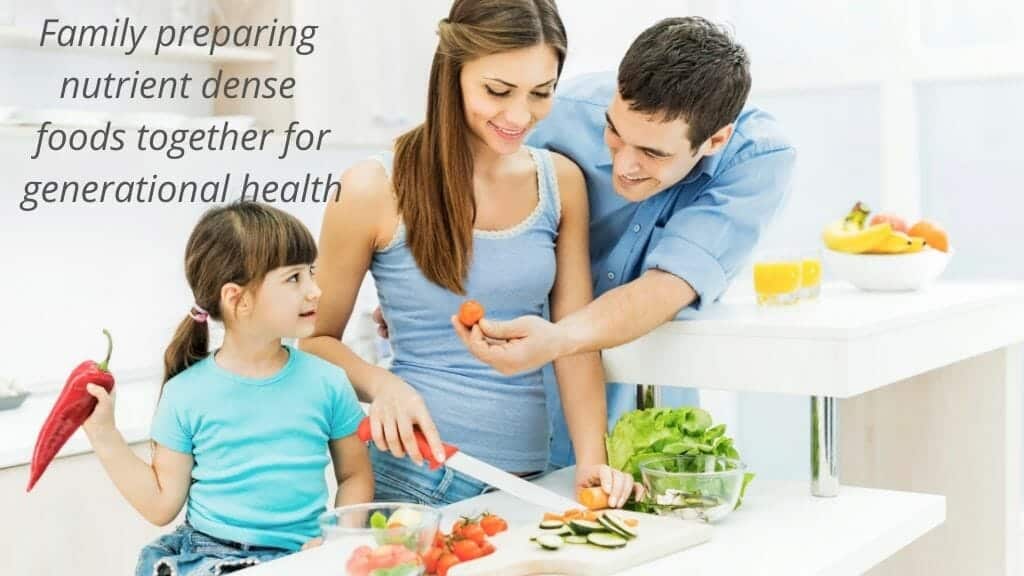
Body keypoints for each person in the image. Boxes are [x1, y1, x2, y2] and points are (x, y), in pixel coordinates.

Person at [301, 0, 636, 508]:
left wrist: (593, 460)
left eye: (541, 93)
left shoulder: (560, 183)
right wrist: (381, 384)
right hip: (412, 479)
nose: (519, 115)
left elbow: (574, 343)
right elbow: (313, 340)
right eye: (497, 91)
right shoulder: (374, 188)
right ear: (452, 72)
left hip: (529, 482)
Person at [452, 17, 797, 467]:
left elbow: (666, 288)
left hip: (642, 399)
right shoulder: (561, 112)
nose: (625, 166)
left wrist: (558, 339)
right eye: (615, 134)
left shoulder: (757, 159)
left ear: (715, 139)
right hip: (517, 394)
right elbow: (467, 197)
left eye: (653, 153)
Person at [82, 202, 373, 576]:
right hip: (208, 557)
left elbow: (355, 475)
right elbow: (160, 505)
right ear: (237, 298)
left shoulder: (327, 381)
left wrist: (339, 538)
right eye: (294, 278)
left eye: (311, 273)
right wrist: (105, 434)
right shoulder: (185, 393)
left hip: (302, 556)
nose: (315, 290)